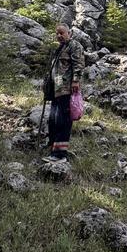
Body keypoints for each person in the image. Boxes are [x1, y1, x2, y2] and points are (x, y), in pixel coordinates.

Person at [43, 23, 84, 162]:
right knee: (53, 119)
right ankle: (53, 146)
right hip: (56, 89)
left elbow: (78, 64)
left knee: (63, 119)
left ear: (69, 33)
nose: (59, 35)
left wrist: (76, 81)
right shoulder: (59, 48)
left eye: (62, 33)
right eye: (57, 33)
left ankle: (60, 154)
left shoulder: (74, 46)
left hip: (67, 89)